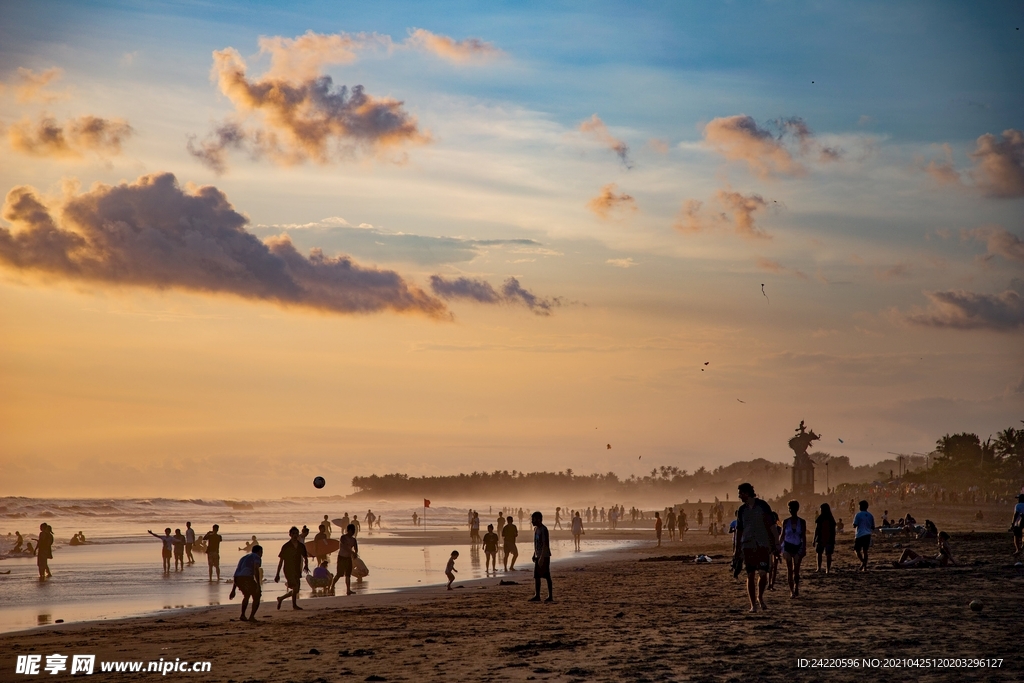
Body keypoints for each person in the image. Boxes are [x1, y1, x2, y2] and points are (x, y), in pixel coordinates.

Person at [733, 483, 778, 613]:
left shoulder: (763, 506)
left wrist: (776, 543)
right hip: (747, 544)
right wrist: (737, 549)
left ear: (747, 493)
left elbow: (772, 526)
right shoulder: (741, 510)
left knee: (763, 573)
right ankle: (753, 604)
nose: (739, 496)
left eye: (741, 493)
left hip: (763, 544)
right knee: (750, 574)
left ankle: (760, 597)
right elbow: (739, 530)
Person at [275, 526, 309, 610]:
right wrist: (277, 574)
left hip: (297, 568)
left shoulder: (301, 546)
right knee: (295, 586)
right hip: (288, 569)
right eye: (293, 533)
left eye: (296, 533)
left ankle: (281, 598)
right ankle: (294, 605)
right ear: (290, 534)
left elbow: (305, 557)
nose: (295, 535)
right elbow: (281, 561)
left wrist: (306, 566)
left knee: (296, 590)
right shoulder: (286, 546)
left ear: (298, 535)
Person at [229, 544, 263, 621]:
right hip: (247, 578)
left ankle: (243, 615)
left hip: (237, 578)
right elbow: (256, 570)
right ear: (259, 552)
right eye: (261, 552)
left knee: (246, 595)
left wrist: (233, 590)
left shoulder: (243, 558)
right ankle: (251, 616)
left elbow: (237, 572)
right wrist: (258, 584)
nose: (262, 555)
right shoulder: (256, 557)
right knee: (257, 596)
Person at [781, 501, 807, 597]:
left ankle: (796, 587)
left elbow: (803, 536)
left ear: (797, 509)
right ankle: (791, 590)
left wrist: (804, 548)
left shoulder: (802, 522)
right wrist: (778, 546)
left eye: (792, 508)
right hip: (787, 546)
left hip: (797, 546)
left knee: (796, 569)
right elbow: (782, 535)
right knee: (789, 569)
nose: (791, 510)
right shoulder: (786, 521)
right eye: (789, 508)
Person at [529, 511, 553, 602]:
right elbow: (536, 543)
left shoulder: (544, 529)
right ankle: (537, 595)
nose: (532, 521)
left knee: (547, 576)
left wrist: (542, 557)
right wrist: (534, 554)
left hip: (545, 555)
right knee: (537, 576)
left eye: (533, 519)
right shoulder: (536, 529)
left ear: (539, 519)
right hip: (538, 555)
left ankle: (550, 596)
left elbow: (545, 544)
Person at [331, 523, 359, 595]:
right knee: (339, 574)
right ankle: (332, 585)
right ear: (348, 530)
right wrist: (353, 553)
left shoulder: (354, 540)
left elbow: (356, 548)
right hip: (341, 557)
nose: (353, 532)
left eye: (354, 531)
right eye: (352, 530)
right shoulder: (343, 537)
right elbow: (346, 547)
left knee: (348, 574)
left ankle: (348, 590)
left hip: (348, 558)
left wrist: (355, 554)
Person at [813, 503, 837, 574]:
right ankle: (827, 570)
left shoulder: (820, 518)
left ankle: (819, 568)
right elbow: (833, 530)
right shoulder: (831, 518)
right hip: (829, 538)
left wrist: (814, 539)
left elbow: (816, 529)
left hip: (821, 538)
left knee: (819, 553)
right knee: (828, 554)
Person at [853, 500, 875, 571]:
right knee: (865, 551)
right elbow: (873, 527)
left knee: (857, 550)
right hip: (867, 534)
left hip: (859, 534)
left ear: (861, 506)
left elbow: (854, 525)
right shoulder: (870, 515)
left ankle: (863, 562)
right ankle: (864, 566)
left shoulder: (858, 515)